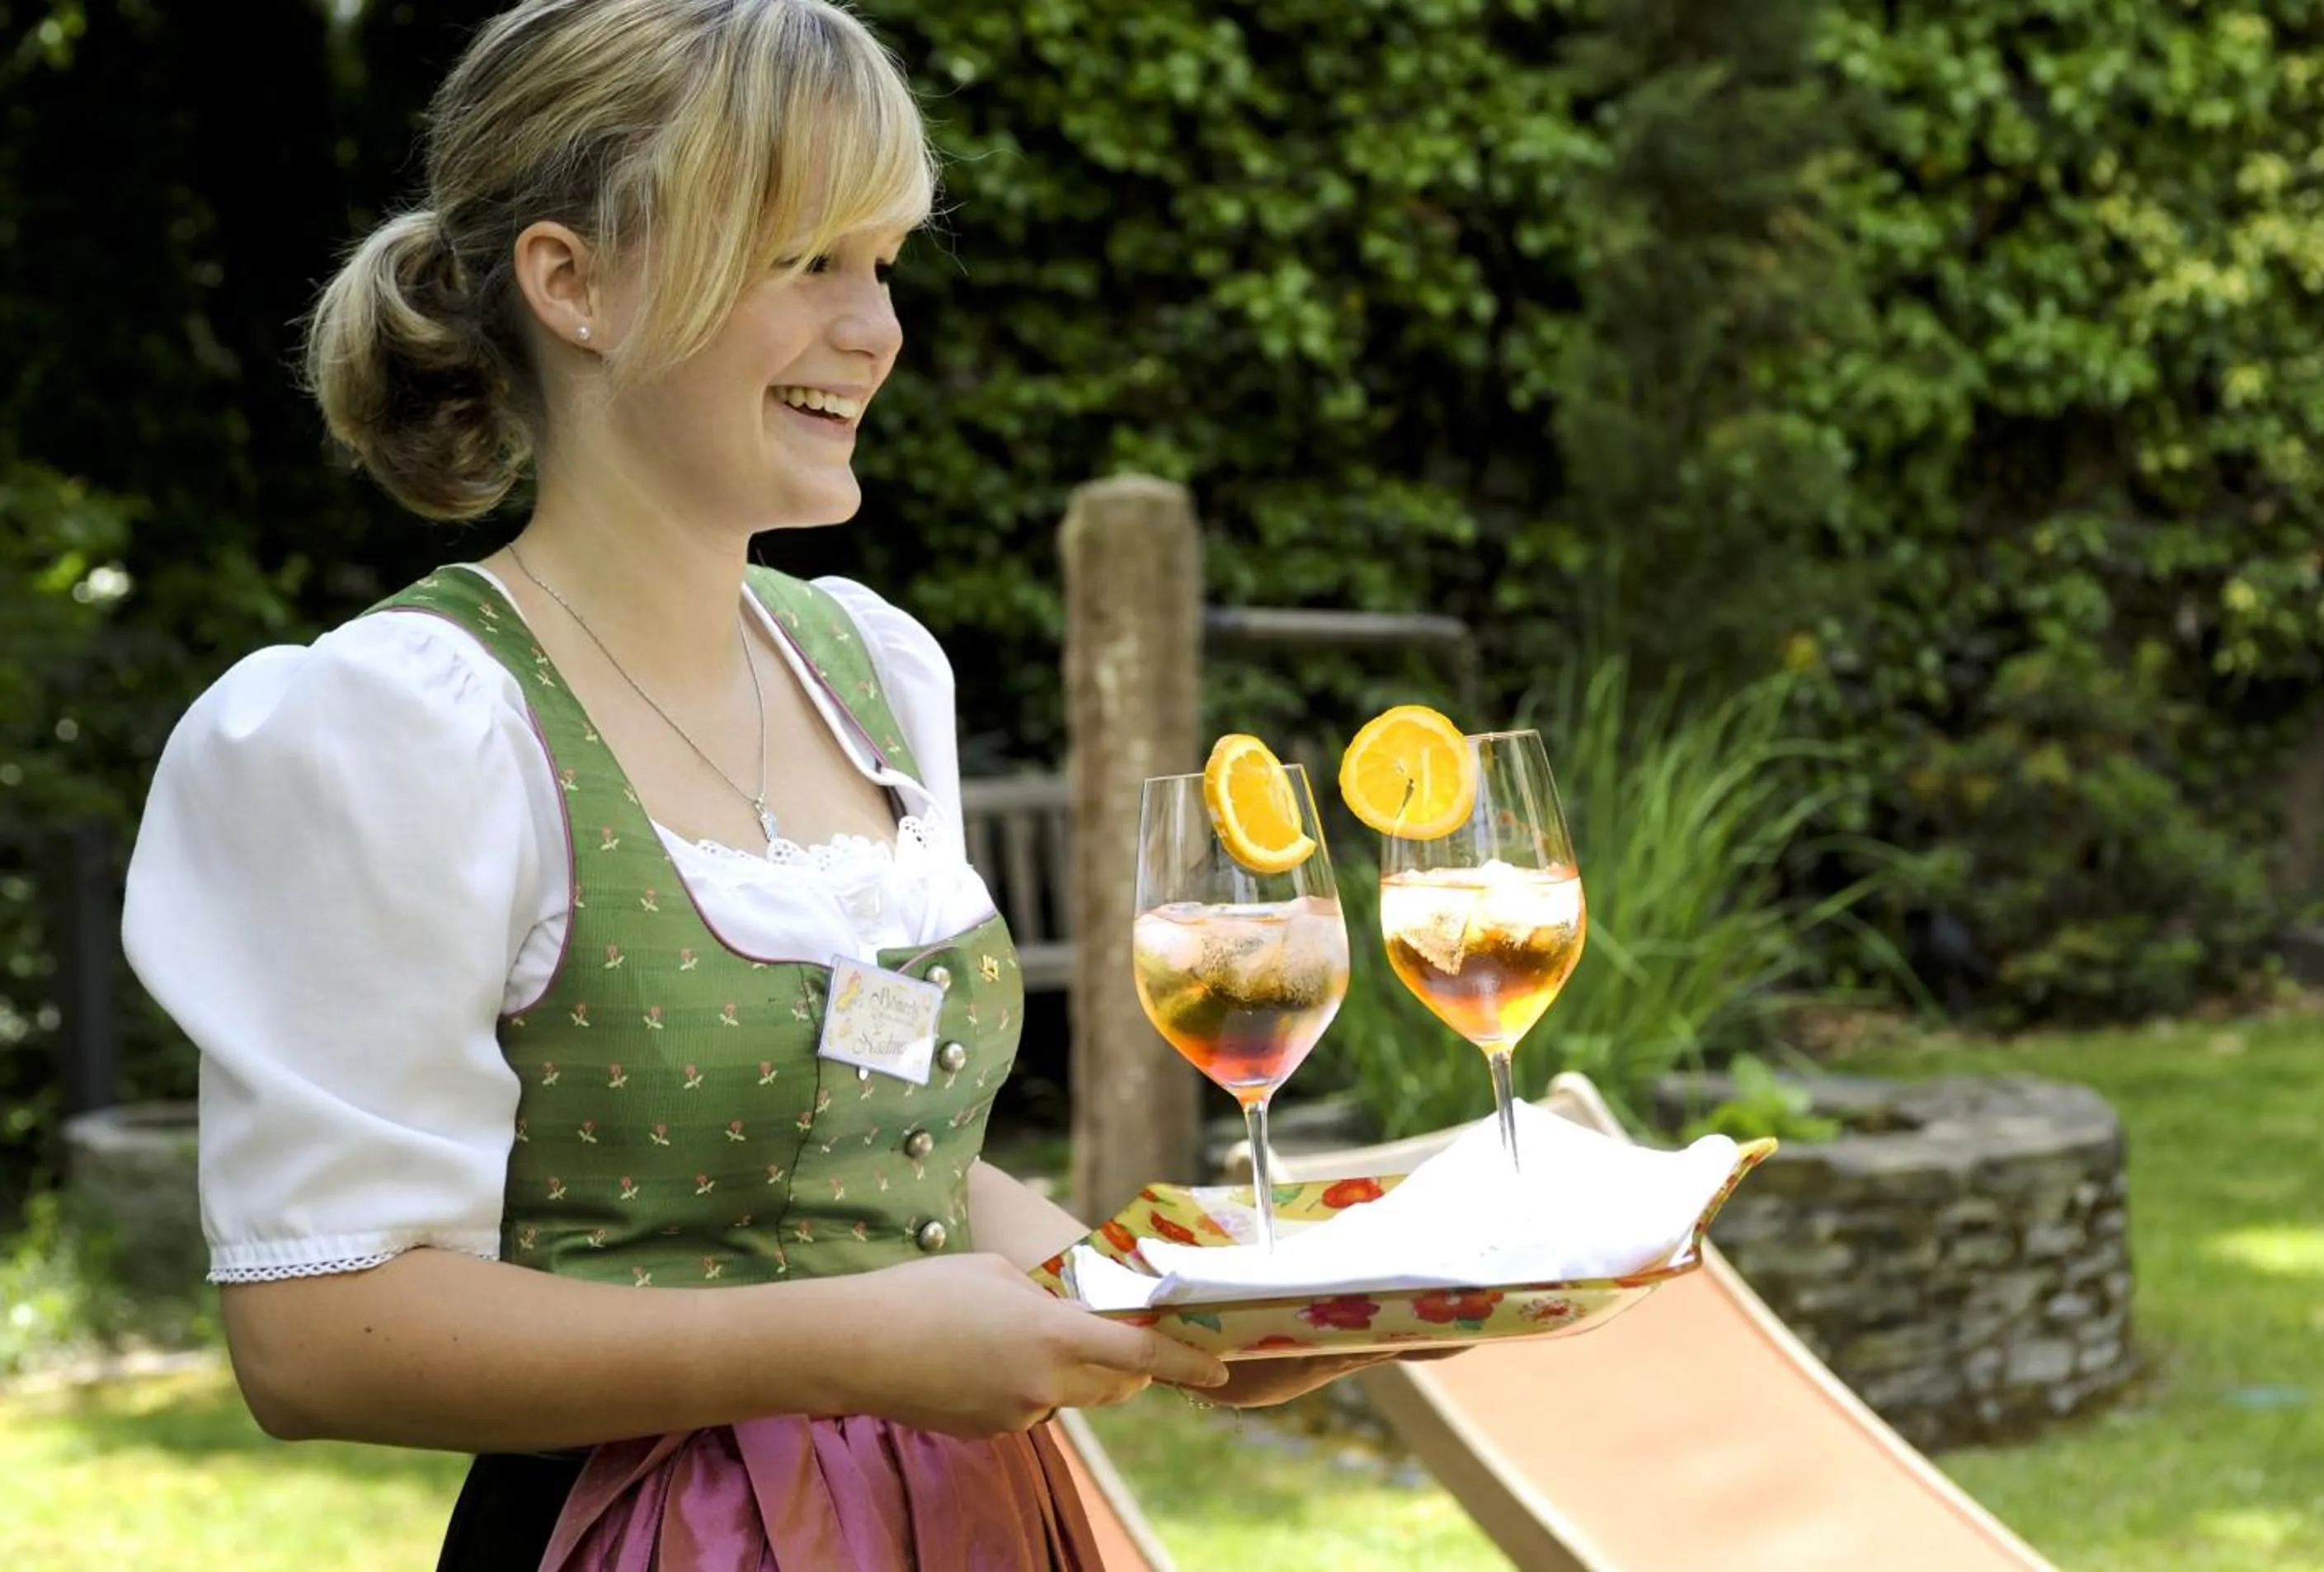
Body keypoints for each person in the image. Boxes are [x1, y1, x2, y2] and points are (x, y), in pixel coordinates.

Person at [120, 2, 1389, 1565]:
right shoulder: (402, 729)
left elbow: (889, 1167)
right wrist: (847, 1345)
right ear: (571, 281)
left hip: (980, 1515)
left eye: (888, 263)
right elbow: (316, 1332)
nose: (877, 331)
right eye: (807, 261)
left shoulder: (871, 670)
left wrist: (1186, 1312)